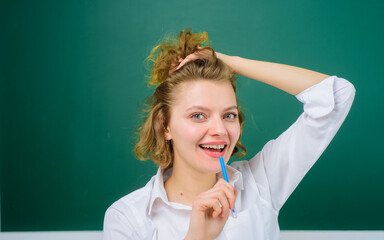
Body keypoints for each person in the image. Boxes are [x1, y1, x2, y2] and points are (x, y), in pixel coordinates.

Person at [103, 27, 356, 240]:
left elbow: (337, 96)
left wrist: (233, 63)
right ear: (165, 125)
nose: (220, 130)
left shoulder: (260, 184)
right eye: (198, 115)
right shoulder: (127, 218)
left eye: (229, 115)